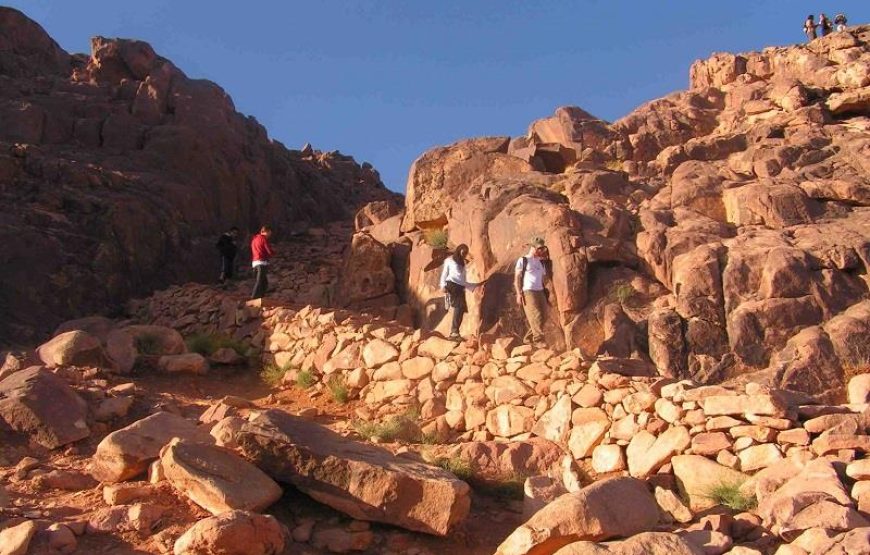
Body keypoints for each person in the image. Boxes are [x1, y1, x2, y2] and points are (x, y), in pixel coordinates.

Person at [514, 237, 551, 347]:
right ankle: (538, 340)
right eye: (539, 248)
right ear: (533, 248)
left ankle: (528, 338)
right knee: (536, 315)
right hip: (528, 291)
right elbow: (517, 277)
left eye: (542, 249)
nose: (541, 251)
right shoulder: (523, 260)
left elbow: (544, 277)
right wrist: (518, 293)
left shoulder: (540, 262)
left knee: (544, 316)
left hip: (540, 291)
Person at [439, 244, 481, 340]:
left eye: (466, 252)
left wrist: (475, 285)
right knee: (459, 306)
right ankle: (454, 332)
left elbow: (462, 280)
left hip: (460, 287)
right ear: (458, 250)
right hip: (452, 285)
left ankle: (455, 332)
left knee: (461, 308)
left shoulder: (462, 263)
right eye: (463, 251)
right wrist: (442, 286)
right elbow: (444, 274)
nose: (464, 254)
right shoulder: (449, 260)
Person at [250, 225, 274, 299]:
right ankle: (254, 298)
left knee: (264, 282)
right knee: (260, 281)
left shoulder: (254, 240)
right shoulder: (263, 239)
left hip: (255, 262)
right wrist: (273, 253)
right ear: (265, 232)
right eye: (269, 233)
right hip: (261, 262)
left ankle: (260, 297)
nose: (270, 235)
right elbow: (269, 250)